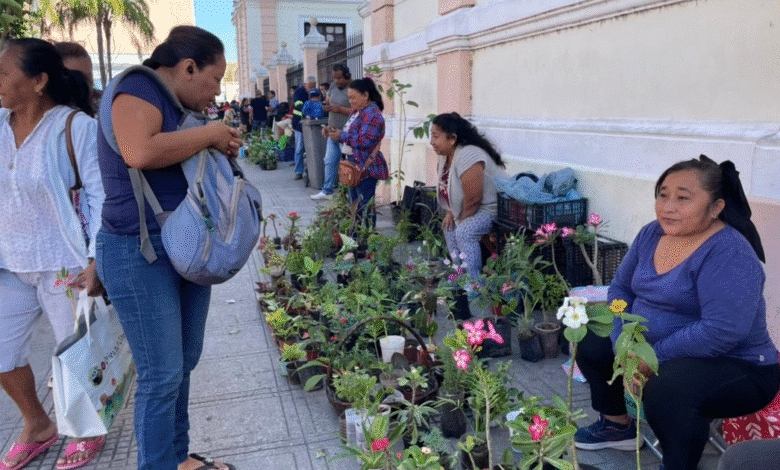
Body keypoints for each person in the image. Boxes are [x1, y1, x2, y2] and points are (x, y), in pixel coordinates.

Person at [573, 156, 779, 470]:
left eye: (683, 198)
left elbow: (722, 330)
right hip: (653, 348)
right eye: (663, 195)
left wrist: (652, 358)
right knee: (590, 336)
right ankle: (617, 426)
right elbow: (620, 290)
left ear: (715, 207)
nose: (668, 207)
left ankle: (678, 465)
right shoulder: (651, 234)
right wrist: (621, 345)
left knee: (668, 387)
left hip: (739, 365)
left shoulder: (729, 252)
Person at [95, 25, 239, 470]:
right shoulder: (138, 86)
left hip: (185, 242)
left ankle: (178, 457)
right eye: (215, 78)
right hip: (139, 249)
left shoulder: (176, 104)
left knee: (183, 363)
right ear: (188, 67)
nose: (217, 91)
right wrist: (211, 133)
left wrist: (220, 146)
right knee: (161, 376)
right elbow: (139, 151)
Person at [0, 38, 106, 470]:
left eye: (4, 73)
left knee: (74, 354)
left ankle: (86, 428)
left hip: (64, 262)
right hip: (9, 263)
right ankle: (38, 424)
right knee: (2, 352)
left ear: (39, 80)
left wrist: (97, 259)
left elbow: (100, 194)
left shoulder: (74, 127)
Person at [429, 112, 506, 282]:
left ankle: (474, 284)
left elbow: (474, 199)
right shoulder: (444, 156)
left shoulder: (469, 155)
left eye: (435, 136)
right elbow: (449, 188)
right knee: (448, 226)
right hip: (472, 208)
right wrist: (451, 212)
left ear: (452, 139)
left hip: (492, 209)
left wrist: (460, 220)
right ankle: (459, 275)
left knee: (464, 232)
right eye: (431, 136)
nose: (431, 142)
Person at [324, 77, 388, 228]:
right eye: (349, 97)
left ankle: (365, 237)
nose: (350, 101)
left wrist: (341, 136)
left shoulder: (372, 114)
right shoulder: (358, 112)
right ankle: (357, 236)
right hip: (354, 162)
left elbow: (365, 141)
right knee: (355, 204)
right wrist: (334, 132)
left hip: (364, 165)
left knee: (365, 205)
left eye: (353, 97)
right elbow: (353, 134)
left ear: (365, 95)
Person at [311, 63, 352, 200]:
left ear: (347, 76)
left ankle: (348, 192)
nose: (337, 81)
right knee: (329, 161)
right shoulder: (333, 86)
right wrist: (326, 106)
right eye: (334, 78)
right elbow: (328, 101)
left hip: (346, 133)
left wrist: (339, 109)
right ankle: (327, 190)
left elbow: (357, 111)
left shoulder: (353, 88)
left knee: (347, 165)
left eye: (340, 78)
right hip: (332, 131)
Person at [292, 76, 315, 180]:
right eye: (311, 86)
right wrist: (308, 112)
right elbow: (298, 104)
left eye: (314, 86)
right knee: (299, 148)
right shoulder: (299, 92)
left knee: (311, 148)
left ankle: (311, 170)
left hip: (310, 123)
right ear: (306, 84)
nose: (312, 88)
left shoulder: (314, 92)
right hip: (299, 123)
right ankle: (298, 171)